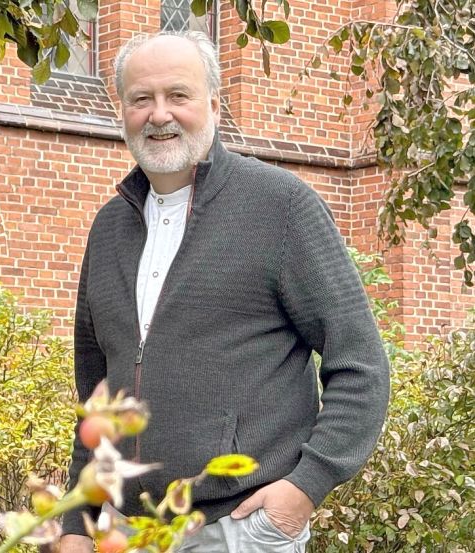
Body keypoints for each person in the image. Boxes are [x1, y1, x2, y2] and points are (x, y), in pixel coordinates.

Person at [58, 31, 390, 552]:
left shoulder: (281, 208)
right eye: (141, 99)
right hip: (127, 533)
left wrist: (305, 487)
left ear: (214, 103)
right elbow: (97, 395)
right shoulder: (109, 229)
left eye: (178, 95)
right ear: (121, 109)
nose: (159, 114)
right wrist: (77, 519)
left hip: (240, 530)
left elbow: (361, 363)